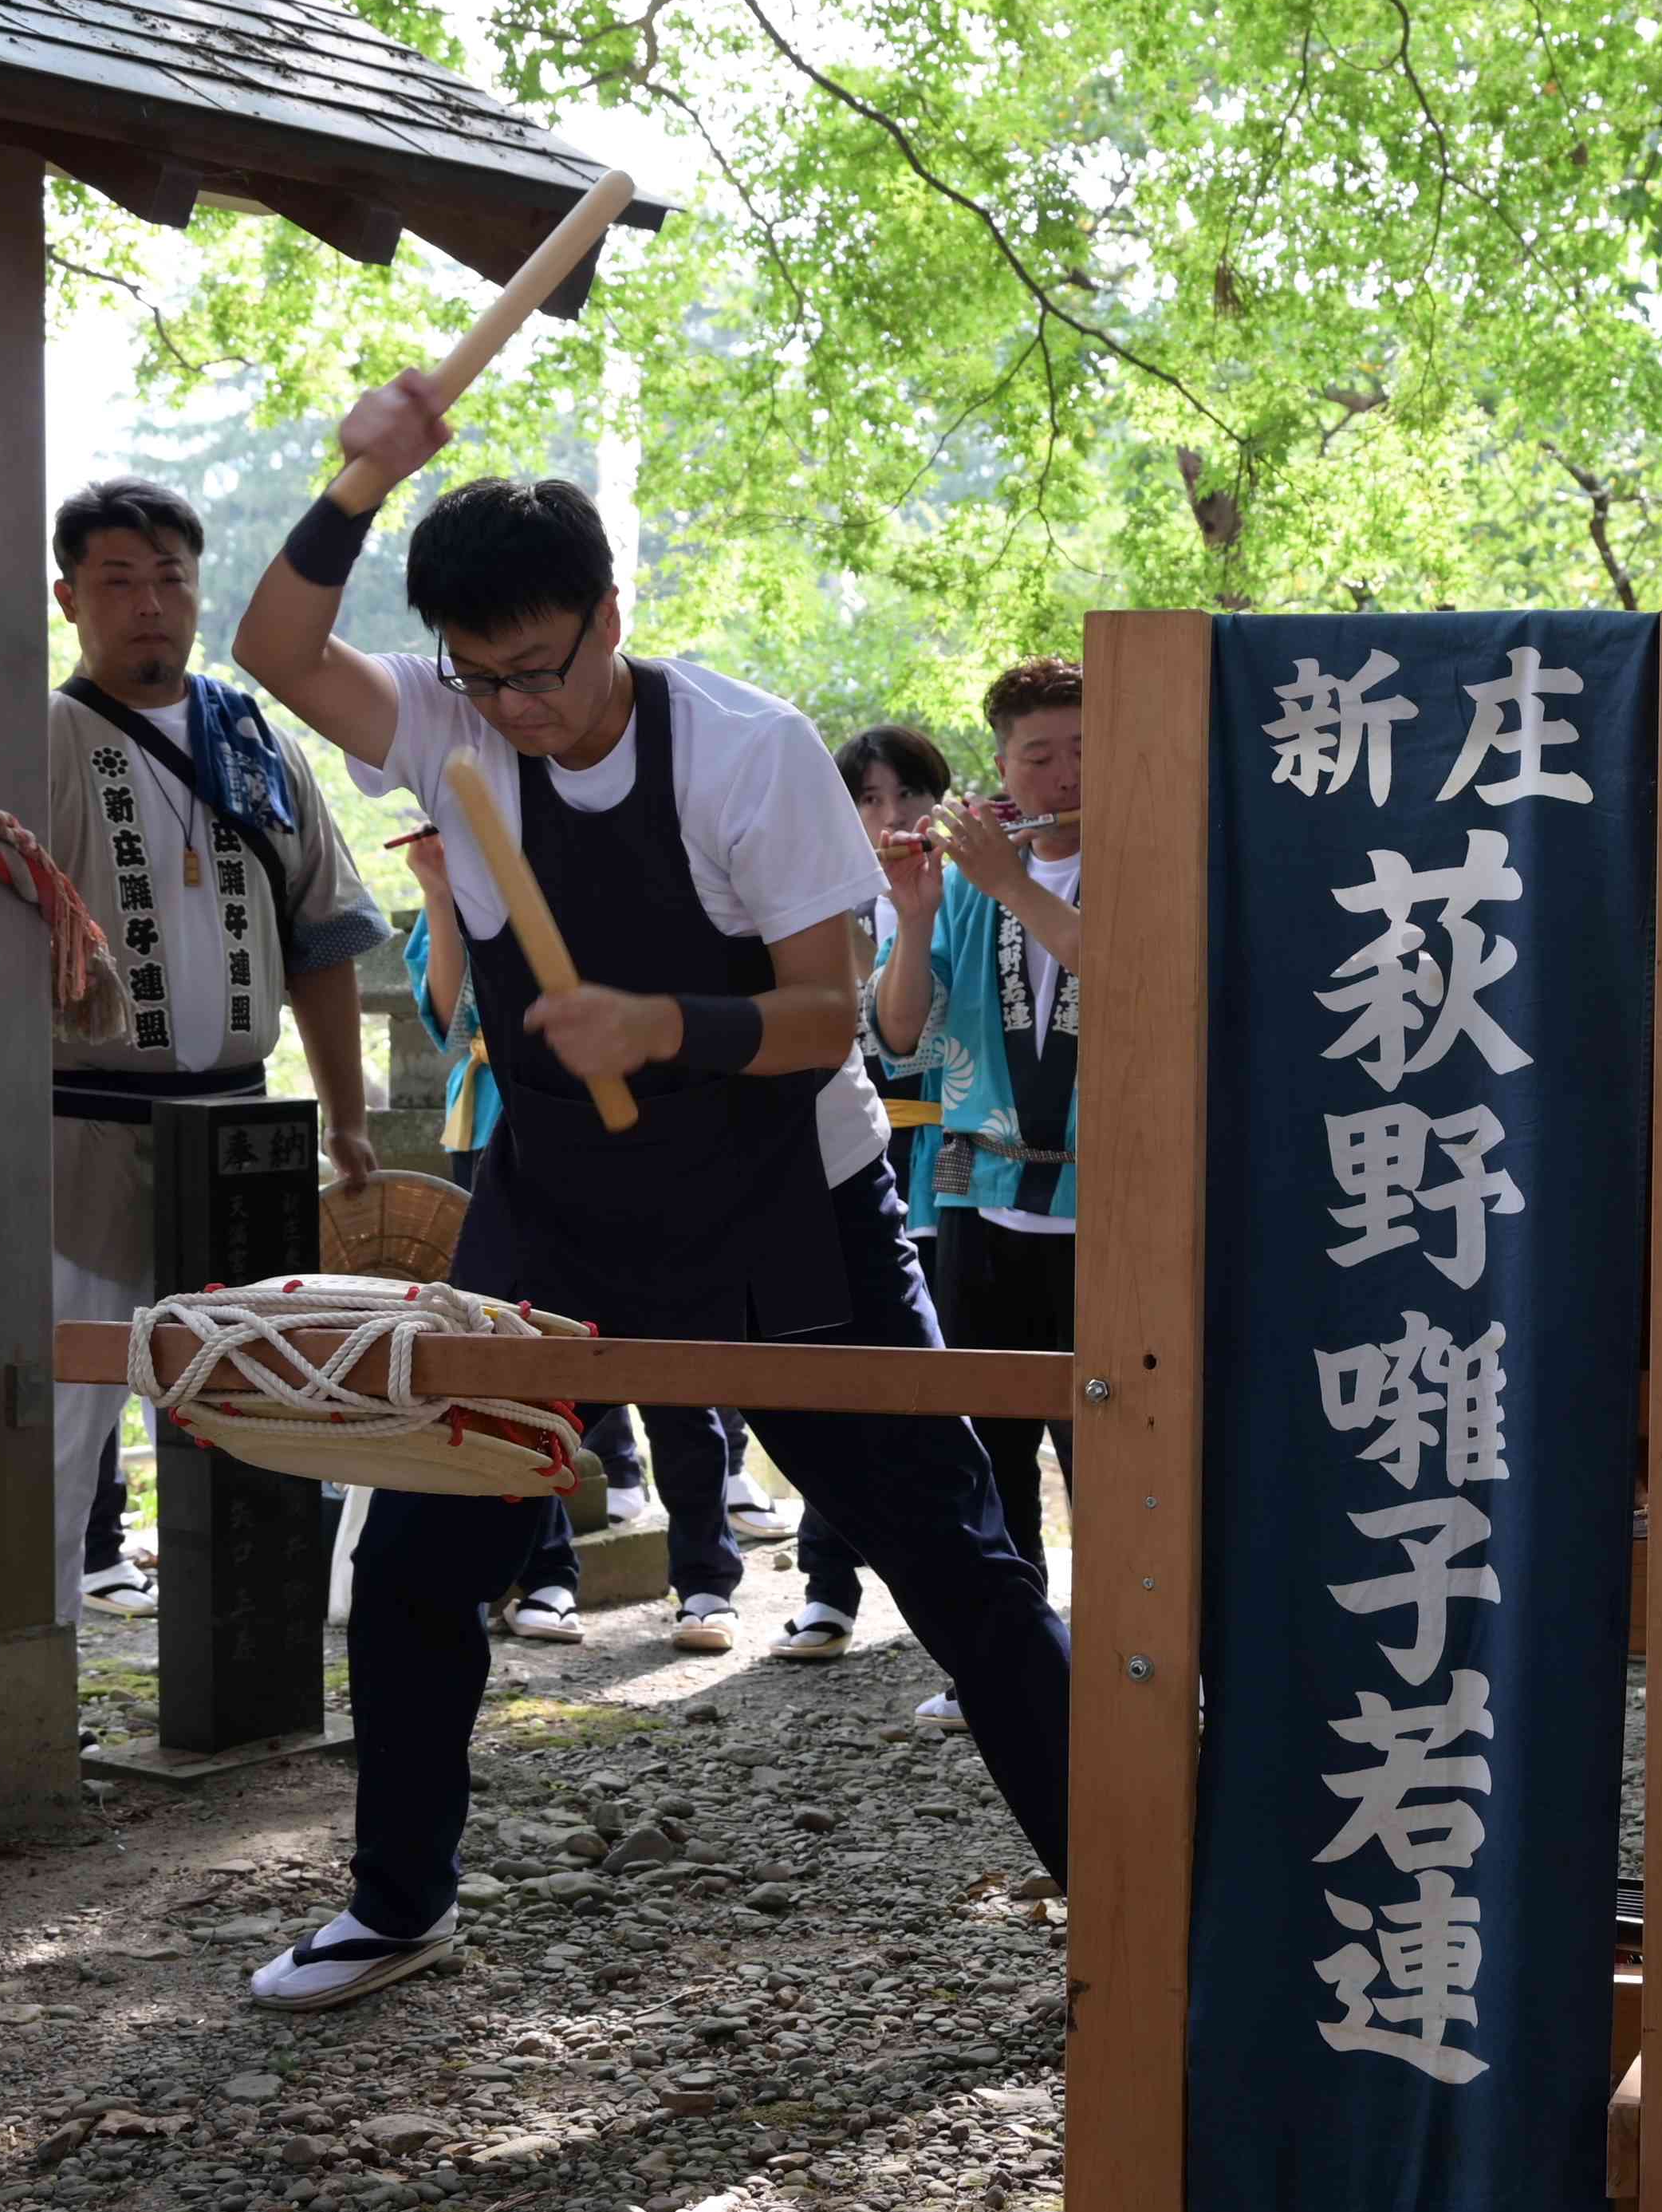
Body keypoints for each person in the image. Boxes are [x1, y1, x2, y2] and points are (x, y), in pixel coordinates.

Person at [223, 382, 1074, 2009]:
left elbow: (825, 1018)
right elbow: (275, 647)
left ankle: (1137, 1892)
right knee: (417, 1556)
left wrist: (660, 1025)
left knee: (955, 1561)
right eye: (483, 675)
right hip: (553, 1206)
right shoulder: (448, 724)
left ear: (610, 614)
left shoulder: (749, 754)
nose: (517, 707)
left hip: (788, 1205)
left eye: (542, 667)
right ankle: (398, 1902)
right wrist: (362, 479)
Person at [40, 475, 384, 1621]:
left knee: (251, 1400)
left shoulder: (257, 740)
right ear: (68, 597)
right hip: (81, 1128)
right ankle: (32, 1670)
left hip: (242, 1130)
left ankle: (252, 1656)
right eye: (117, 581)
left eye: (169, 579)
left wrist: (346, 1116)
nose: (149, 604)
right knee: (68, 1405)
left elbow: (324, 938)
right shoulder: (38, 739)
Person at [396, 823, 725, 1651]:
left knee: (673, 1365)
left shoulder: (629, 862)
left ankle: (705, 1578)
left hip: (644, 1141)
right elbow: (451, 1021)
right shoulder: (472, 874)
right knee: (519, 1368)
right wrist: (440, 892)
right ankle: (544, 1572)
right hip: (512, 1141)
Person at [878, 660, 1089, 1583]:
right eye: (1038, 756)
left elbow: (1135, 976)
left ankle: (1131, 1639)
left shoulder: (1155, 858)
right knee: (988, 1440)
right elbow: (901, 1037)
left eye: (1084, 750)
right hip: (974, 1179)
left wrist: (1009, 883)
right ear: (1002, 767)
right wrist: (914, 915)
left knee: (1110, 1441)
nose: (1065, 775)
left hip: (1110, 1194)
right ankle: (1018, 1637)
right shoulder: (968, 882)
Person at [779, 721, 961, 1658]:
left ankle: (970, 1594)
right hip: (852, 1158)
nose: (892, 816)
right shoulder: (824, 905)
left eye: (909, 794)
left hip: (957, 1160)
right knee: (833, 1368)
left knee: (935, 1371)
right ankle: (827, 1582)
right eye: (868, 799)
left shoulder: (977, 886)